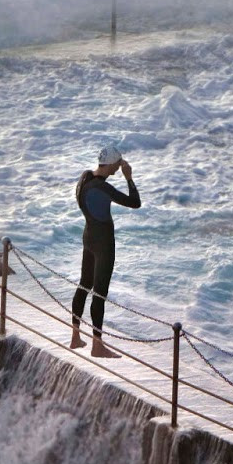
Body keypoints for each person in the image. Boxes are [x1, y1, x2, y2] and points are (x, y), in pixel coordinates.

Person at [70, 145, 141, 358]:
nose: (118, 168)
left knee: (84, 284)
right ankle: (97, 345)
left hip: (89, 237)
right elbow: (135, 203)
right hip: (103, 243)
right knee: (99, 292)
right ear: (110, 164)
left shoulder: (85, 180)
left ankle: (75, 336)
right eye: (117, 165)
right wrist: (129, 178)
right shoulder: (102, 188)